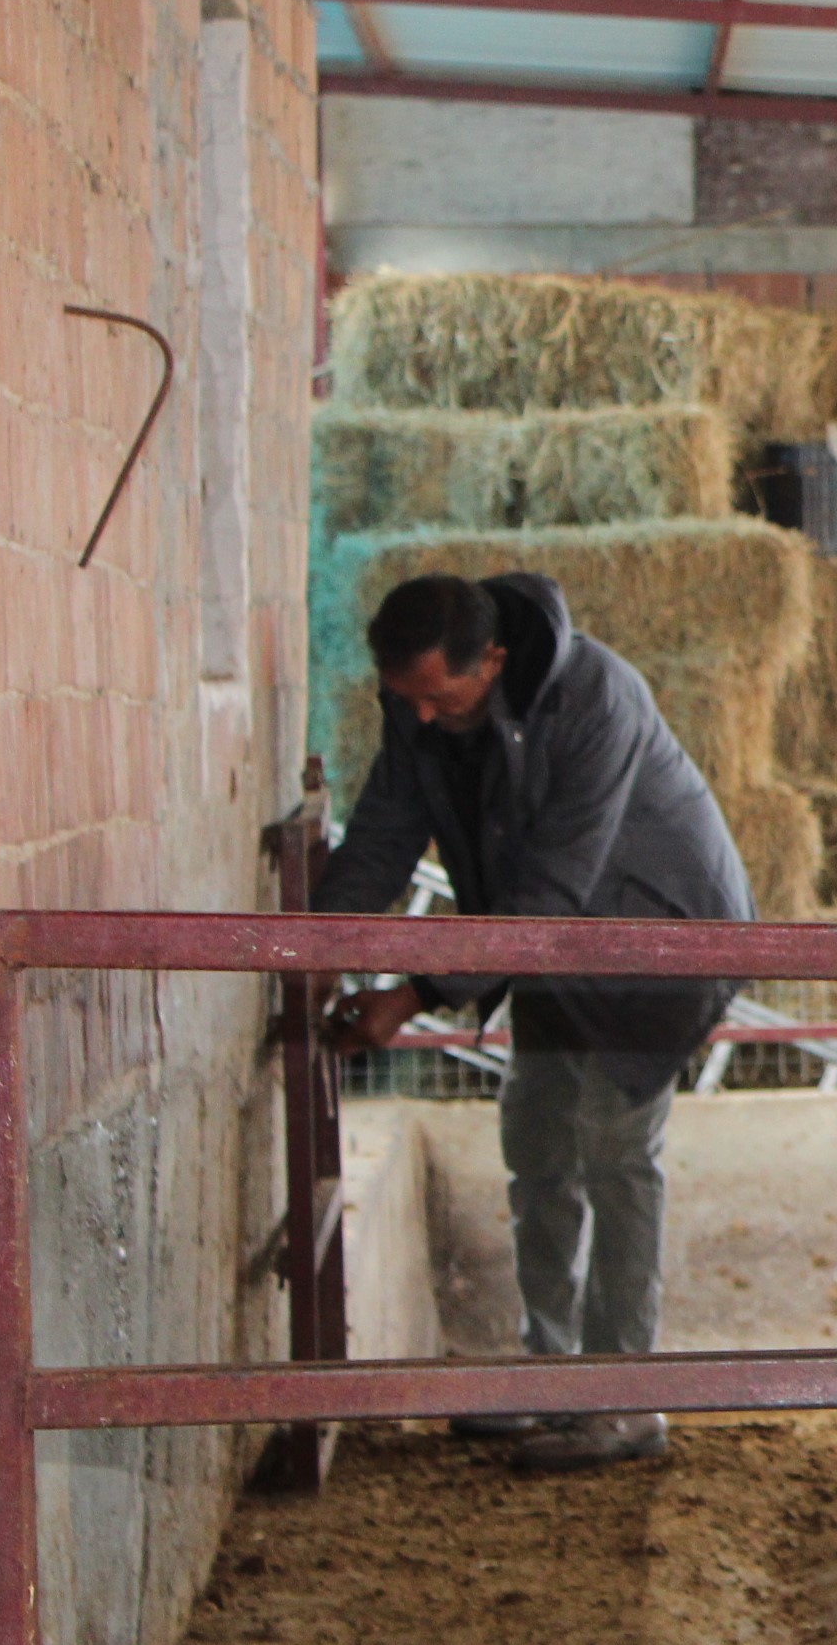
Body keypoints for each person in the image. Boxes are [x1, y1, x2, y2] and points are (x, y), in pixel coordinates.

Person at [316, 572, 752, 1470]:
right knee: (538, 1145)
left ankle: (625, 1399)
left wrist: (415, 993)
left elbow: (555, 882)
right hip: (549, 946)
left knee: (616, 1153)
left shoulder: (598, 699)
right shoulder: (424, 708)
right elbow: (388, 829)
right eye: (409, 699)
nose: (425, 718)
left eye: (441, 696)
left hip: (655, 943)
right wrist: (305, 945)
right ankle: (551, 1373)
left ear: (497, 660)